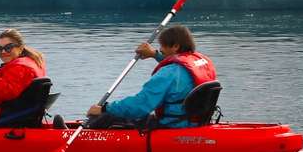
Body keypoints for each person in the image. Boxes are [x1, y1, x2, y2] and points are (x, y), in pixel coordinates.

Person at [86, 25, 216, 129]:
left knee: (106, 118)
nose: (160, 49)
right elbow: (179, 68)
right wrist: (155, 54)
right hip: (197, 123)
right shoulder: (202, 62)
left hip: (172, 126)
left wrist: (104, 108)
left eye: (162, 46)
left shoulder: (168, 74)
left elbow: (140, 106)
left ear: (175, 46)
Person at [0, 28, 47, 124]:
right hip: (13, 117)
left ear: (20, 48)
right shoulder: (32, 62)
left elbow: (5, 93)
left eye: (8, 47)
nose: (3, 52)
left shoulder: (20, 67)